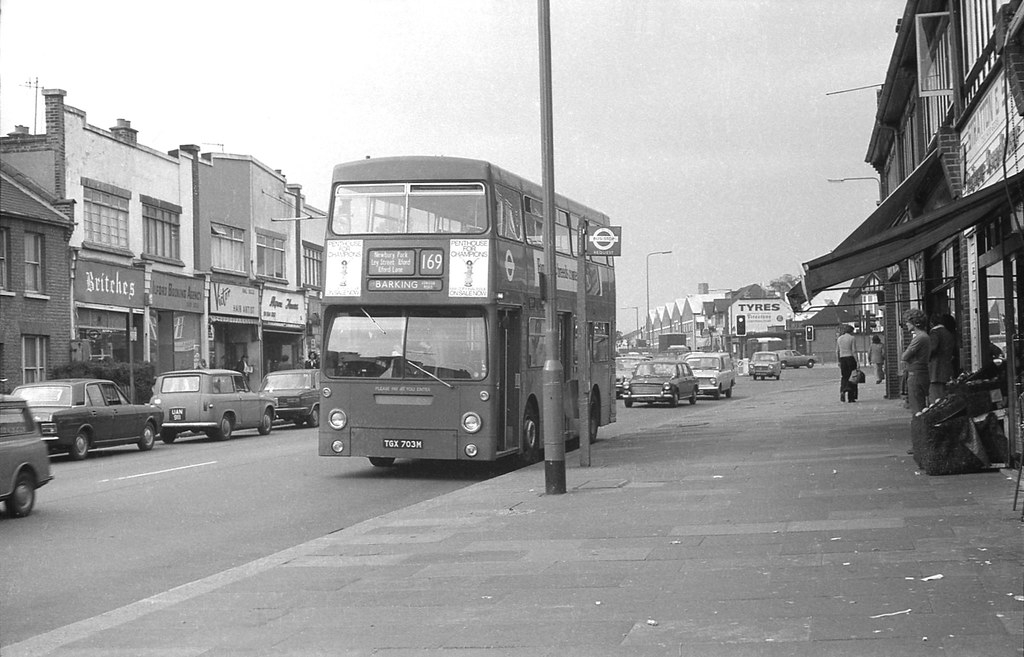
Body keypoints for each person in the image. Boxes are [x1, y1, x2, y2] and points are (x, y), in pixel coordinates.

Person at [901, 308, 931, 414]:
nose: (906, 324)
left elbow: (904, 356)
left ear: (914, 322)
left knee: (917, 406)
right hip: (921, 372)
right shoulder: (923, 336)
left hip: (915, 373)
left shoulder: (919, 338)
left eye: (908, 322)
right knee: (920, 404)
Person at [928, 313, 957, 403]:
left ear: (932, 323)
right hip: (947, 368)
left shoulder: (935, 332)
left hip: (936, 370)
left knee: (935, 399)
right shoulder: (948, 333)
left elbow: (932, 348)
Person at [836, 324, 858, 402]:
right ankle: (851, 397)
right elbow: (854, 351)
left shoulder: (839, 339)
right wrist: (857, 361)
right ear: (851, 331)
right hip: (850, 358)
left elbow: (837, 351)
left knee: (844, 376)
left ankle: (842, 391)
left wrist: (838, 361)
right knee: (852, 377)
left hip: (842, 359)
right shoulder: (852, 338)